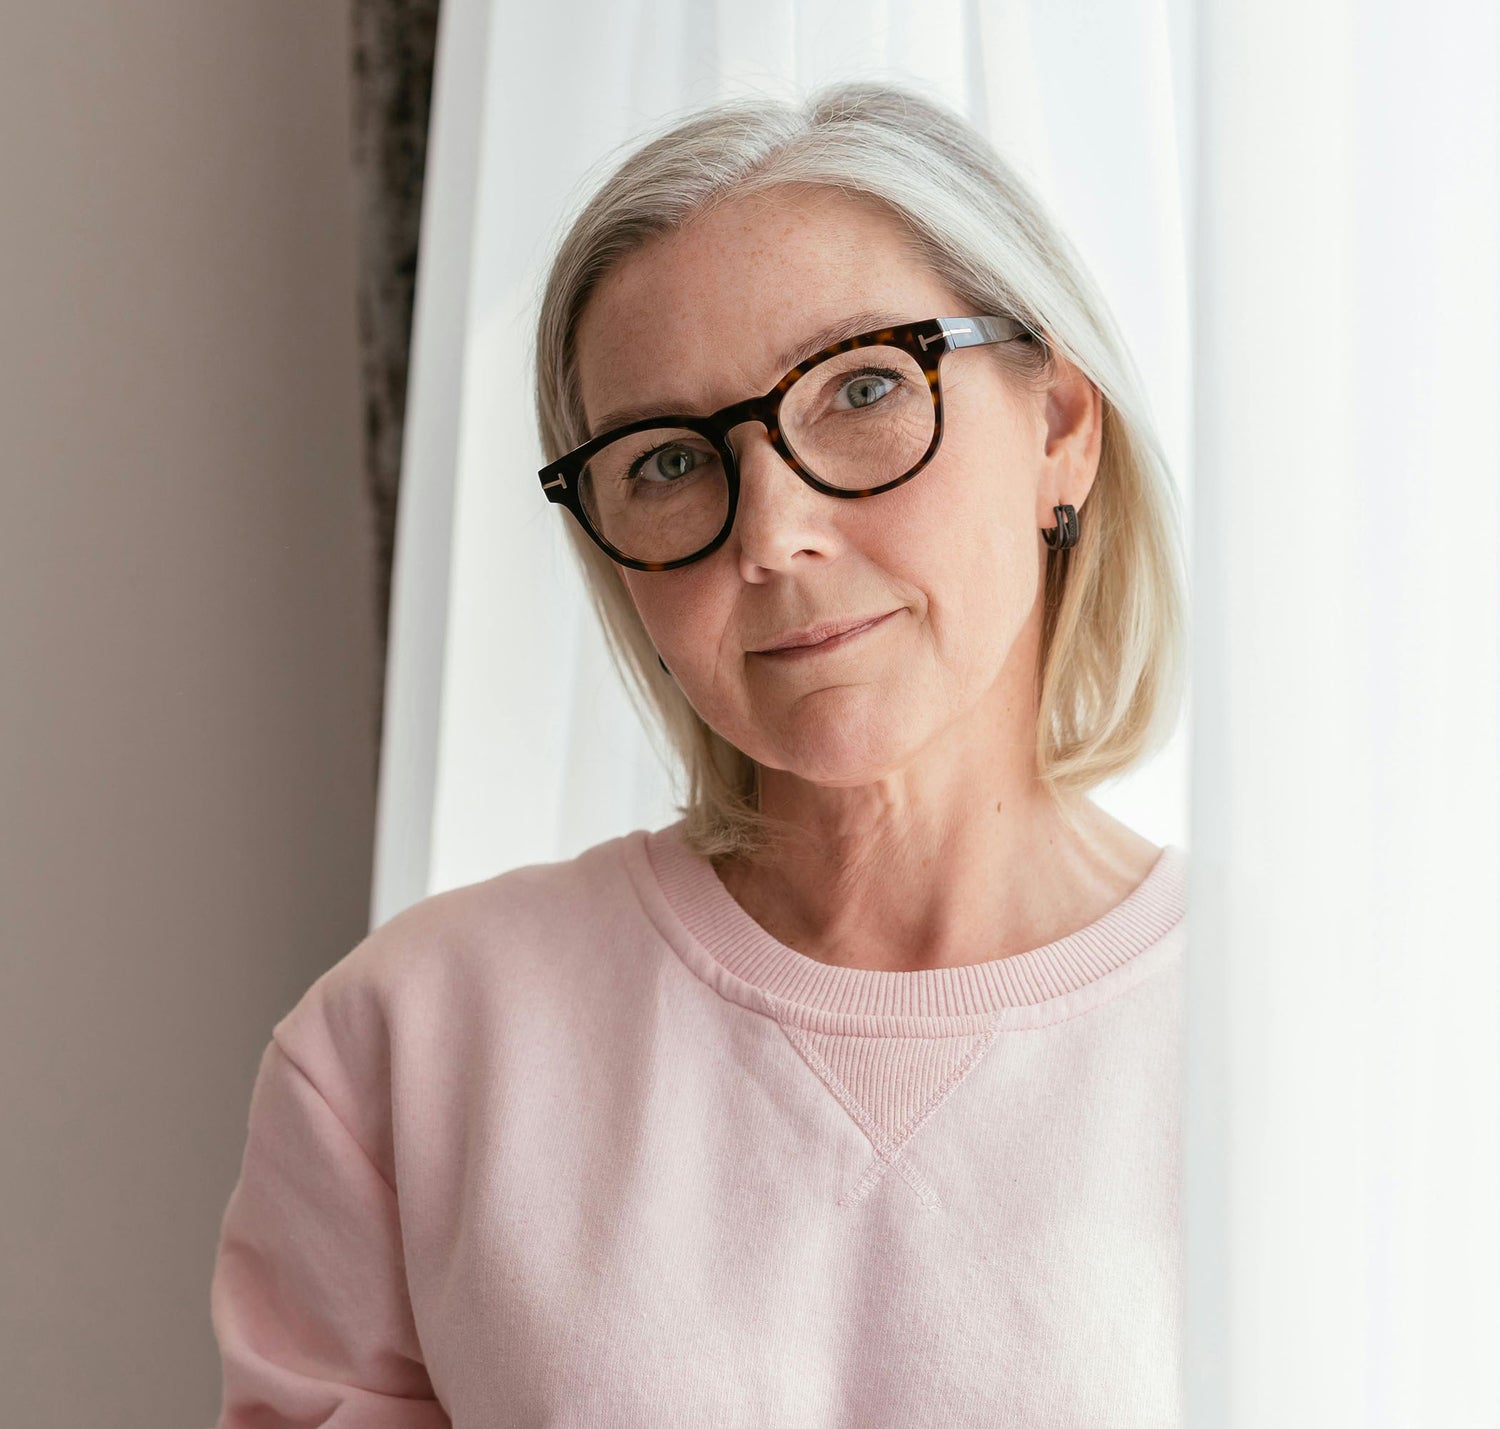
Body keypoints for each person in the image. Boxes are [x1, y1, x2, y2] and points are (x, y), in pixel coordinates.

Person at [210, 81, 1188, 1427]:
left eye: (861, 387)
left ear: (1060, 427)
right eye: (668, 461)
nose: (771, 531)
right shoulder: (408, 1047)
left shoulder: (1316, 1036)